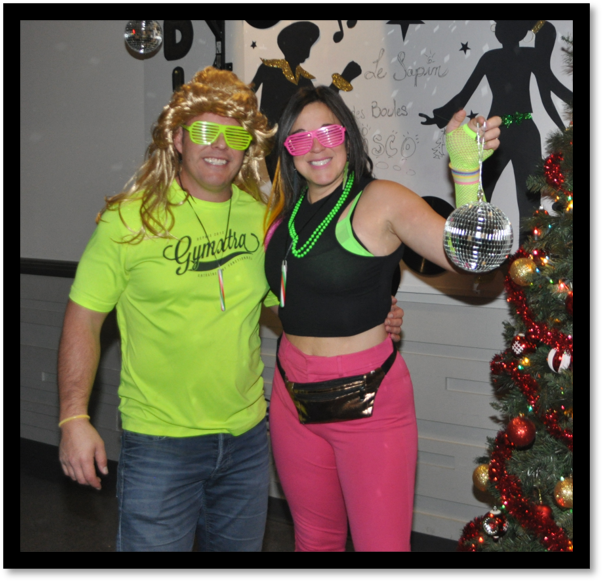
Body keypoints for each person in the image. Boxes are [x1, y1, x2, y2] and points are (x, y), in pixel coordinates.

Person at [57, 67, 403, 552]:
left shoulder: (263, 218)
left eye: (235, 135)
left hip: (247, 443)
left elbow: (294, 304)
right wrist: (73, 417)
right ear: (177, 138)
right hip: (160, 445)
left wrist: (368, 316)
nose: (220, 145)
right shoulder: (128, 220)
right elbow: (83, 320)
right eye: (205, 131)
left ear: (248, 149)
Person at [263, 85, 502, 552]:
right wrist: (371, 307)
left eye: (328, 132)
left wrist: (464, 170)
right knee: (314, 541)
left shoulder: (381, 199)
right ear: (287, 150)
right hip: (290, 396)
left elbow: (474, 257)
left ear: (347, 137)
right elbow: (285, 297)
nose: (316, 147)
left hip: (368, 400)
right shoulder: (283, 217)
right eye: (300, 137)